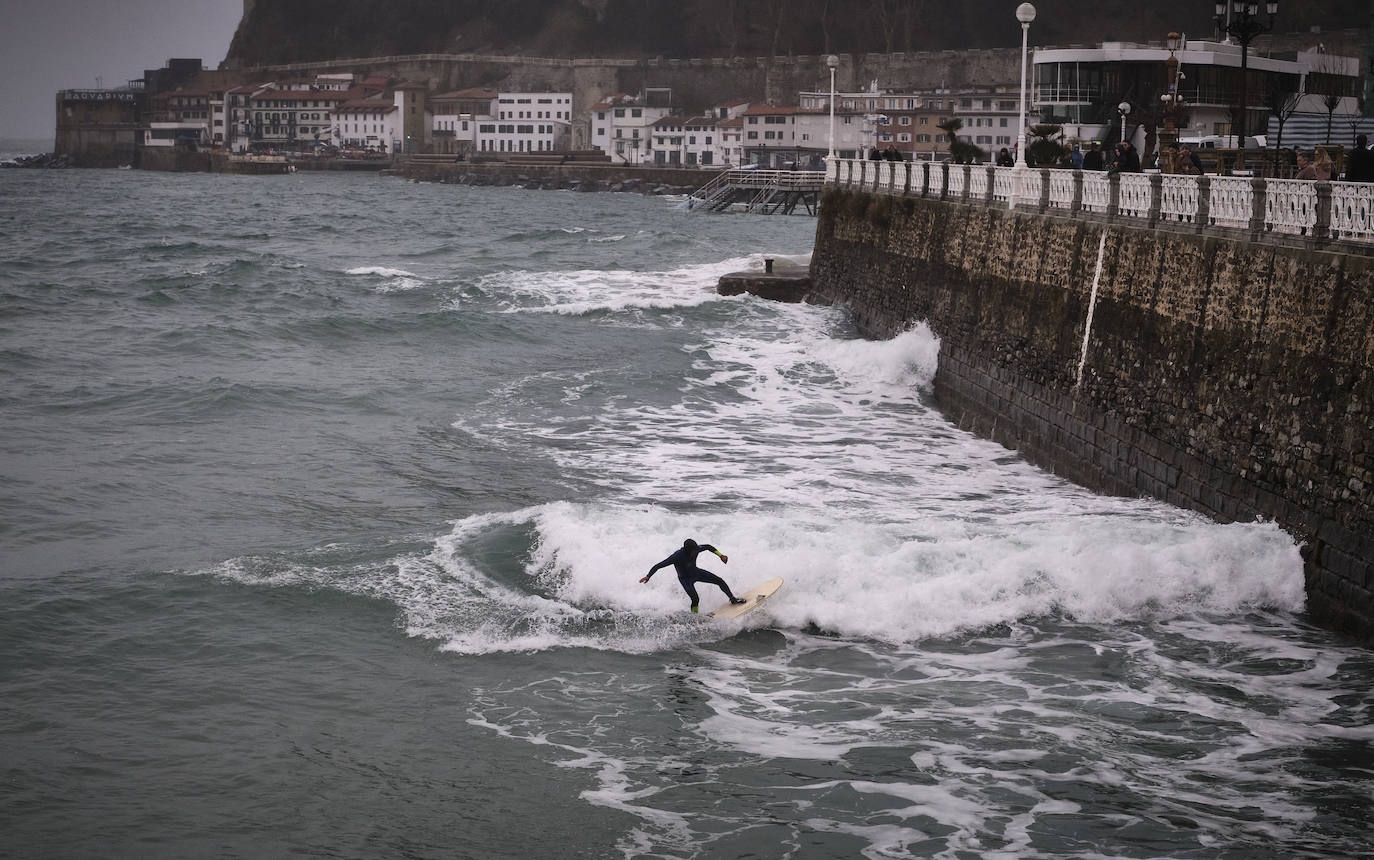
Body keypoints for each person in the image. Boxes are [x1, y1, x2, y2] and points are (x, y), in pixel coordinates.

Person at [641, 538, 746, 613]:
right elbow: (658, 566)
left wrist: (721, 555)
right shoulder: (676, 557)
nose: (696, 552)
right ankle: (694, 618)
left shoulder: (696, 549)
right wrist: (648, 576)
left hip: (696, 573)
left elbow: (709, 547)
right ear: (687, 550)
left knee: (719, 581)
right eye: (694, 551)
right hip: (685, 579)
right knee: (695, 599)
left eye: (696, 550)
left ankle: (733, 599)